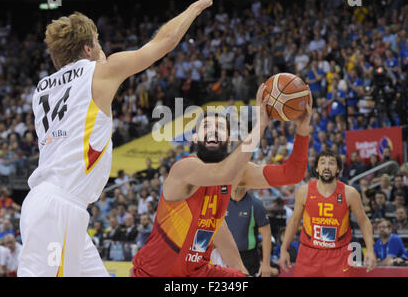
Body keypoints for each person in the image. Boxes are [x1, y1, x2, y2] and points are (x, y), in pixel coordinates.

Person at [18, 0, 225, 277]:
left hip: (61, 207)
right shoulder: (99, 72)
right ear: (88, 48)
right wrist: (195, 8)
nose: (104, 48)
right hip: (57, 208)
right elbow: (163, 42)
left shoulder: (41, 90)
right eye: (98, 42)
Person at [131, 83, 312, 277]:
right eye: (206, 126)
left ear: (228, 140)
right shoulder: (185, 168)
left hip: (196, 273)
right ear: (194, 138)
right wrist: (260, 124)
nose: (213, 130)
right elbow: (222, 173)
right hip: (154, 274)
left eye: (220, 128)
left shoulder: (236, 175)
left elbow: (292, 174)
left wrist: (302, 130)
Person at [279, 150, 376, 277]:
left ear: (337, 170)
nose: (326, 166)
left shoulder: (349, 193)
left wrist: (370, 249)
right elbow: (294, 221)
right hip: (309, 255)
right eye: (322, 163)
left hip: (339, 255)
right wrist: (284, 248)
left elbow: (363, 221)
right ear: (317, 169)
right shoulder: (304, 191)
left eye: (331, 163)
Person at [225, 186, 274, 277]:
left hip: (248, 259)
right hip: (224, 256)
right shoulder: (222, 201)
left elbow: (266, 235)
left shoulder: (255, 204)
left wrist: (266, 264)